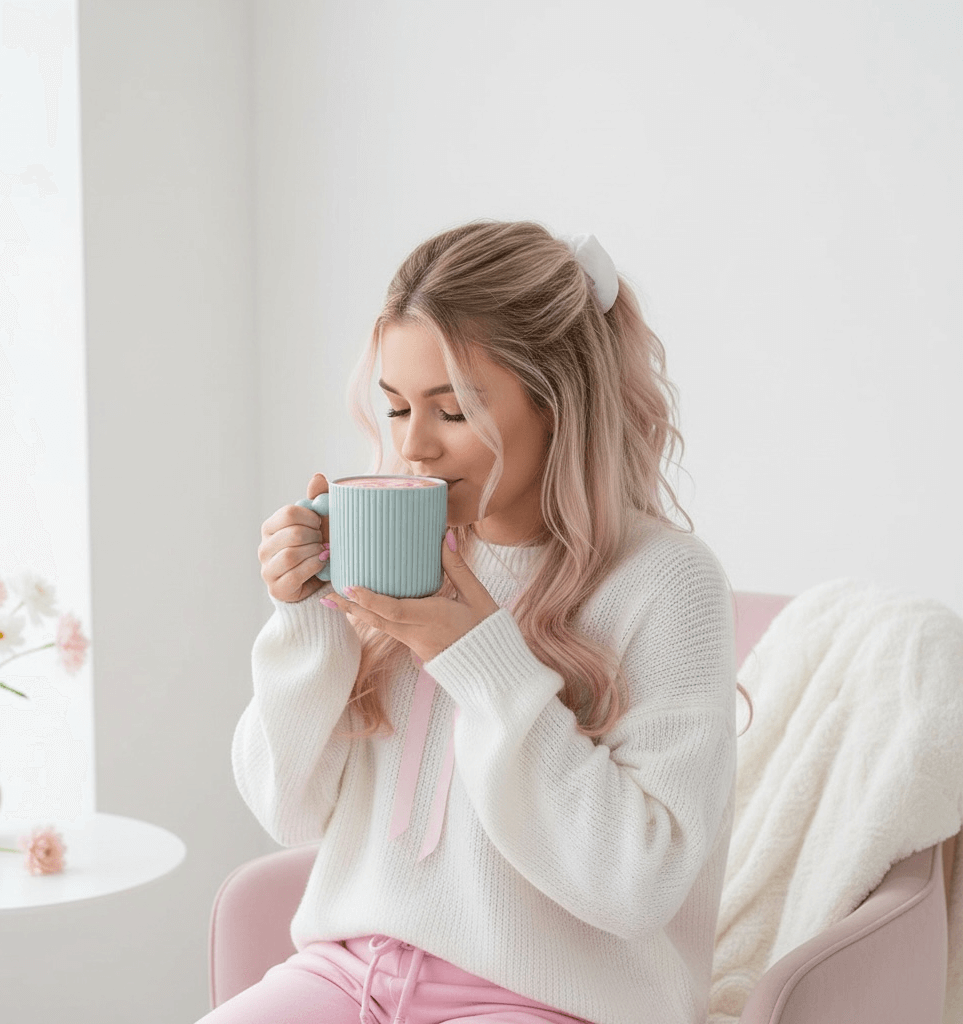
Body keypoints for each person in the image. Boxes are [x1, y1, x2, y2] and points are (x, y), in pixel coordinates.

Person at [202, 220, 750, 1024]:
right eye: (395, 408)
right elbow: (289, 814)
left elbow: (636, 886)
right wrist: (306, 624)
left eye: (451, 411)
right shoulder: (401, 550)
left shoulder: (666, 583)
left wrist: (480, 657)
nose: (413, 446)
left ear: (559, 405)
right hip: (347, 976)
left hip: (548, 1001)